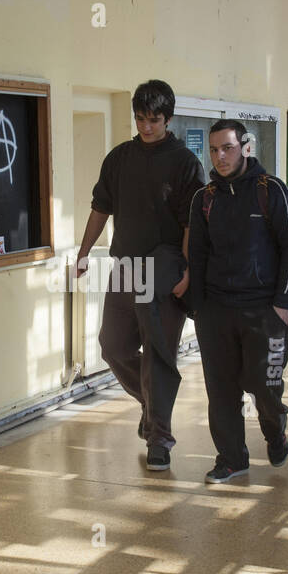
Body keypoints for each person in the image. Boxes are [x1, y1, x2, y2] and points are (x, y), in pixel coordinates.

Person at [76, 80, 205, 472]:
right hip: (125, 268)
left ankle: (159, 439)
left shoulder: (185, 163)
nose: (146, 127)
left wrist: (186, 273)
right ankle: (151, 406)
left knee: (157, 356)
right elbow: (101, 207)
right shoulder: (119, 159)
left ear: (168, 119)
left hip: (165, 273)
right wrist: (83, 252)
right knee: (112, 346)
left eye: (154, 120)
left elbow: (191, 225)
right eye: (140, 119)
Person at [188, 119, 288, 483]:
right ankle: (232, 458)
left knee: (263, 385)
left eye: (228, 148)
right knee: (221, 391)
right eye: (214, 149)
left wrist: (282, 303)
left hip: (264, 311)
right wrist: (198, 309)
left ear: (245, 147)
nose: (220, 156)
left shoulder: (272, 191)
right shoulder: (204, 199)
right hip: (216, 312)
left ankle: (275, 428)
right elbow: (198, 255)